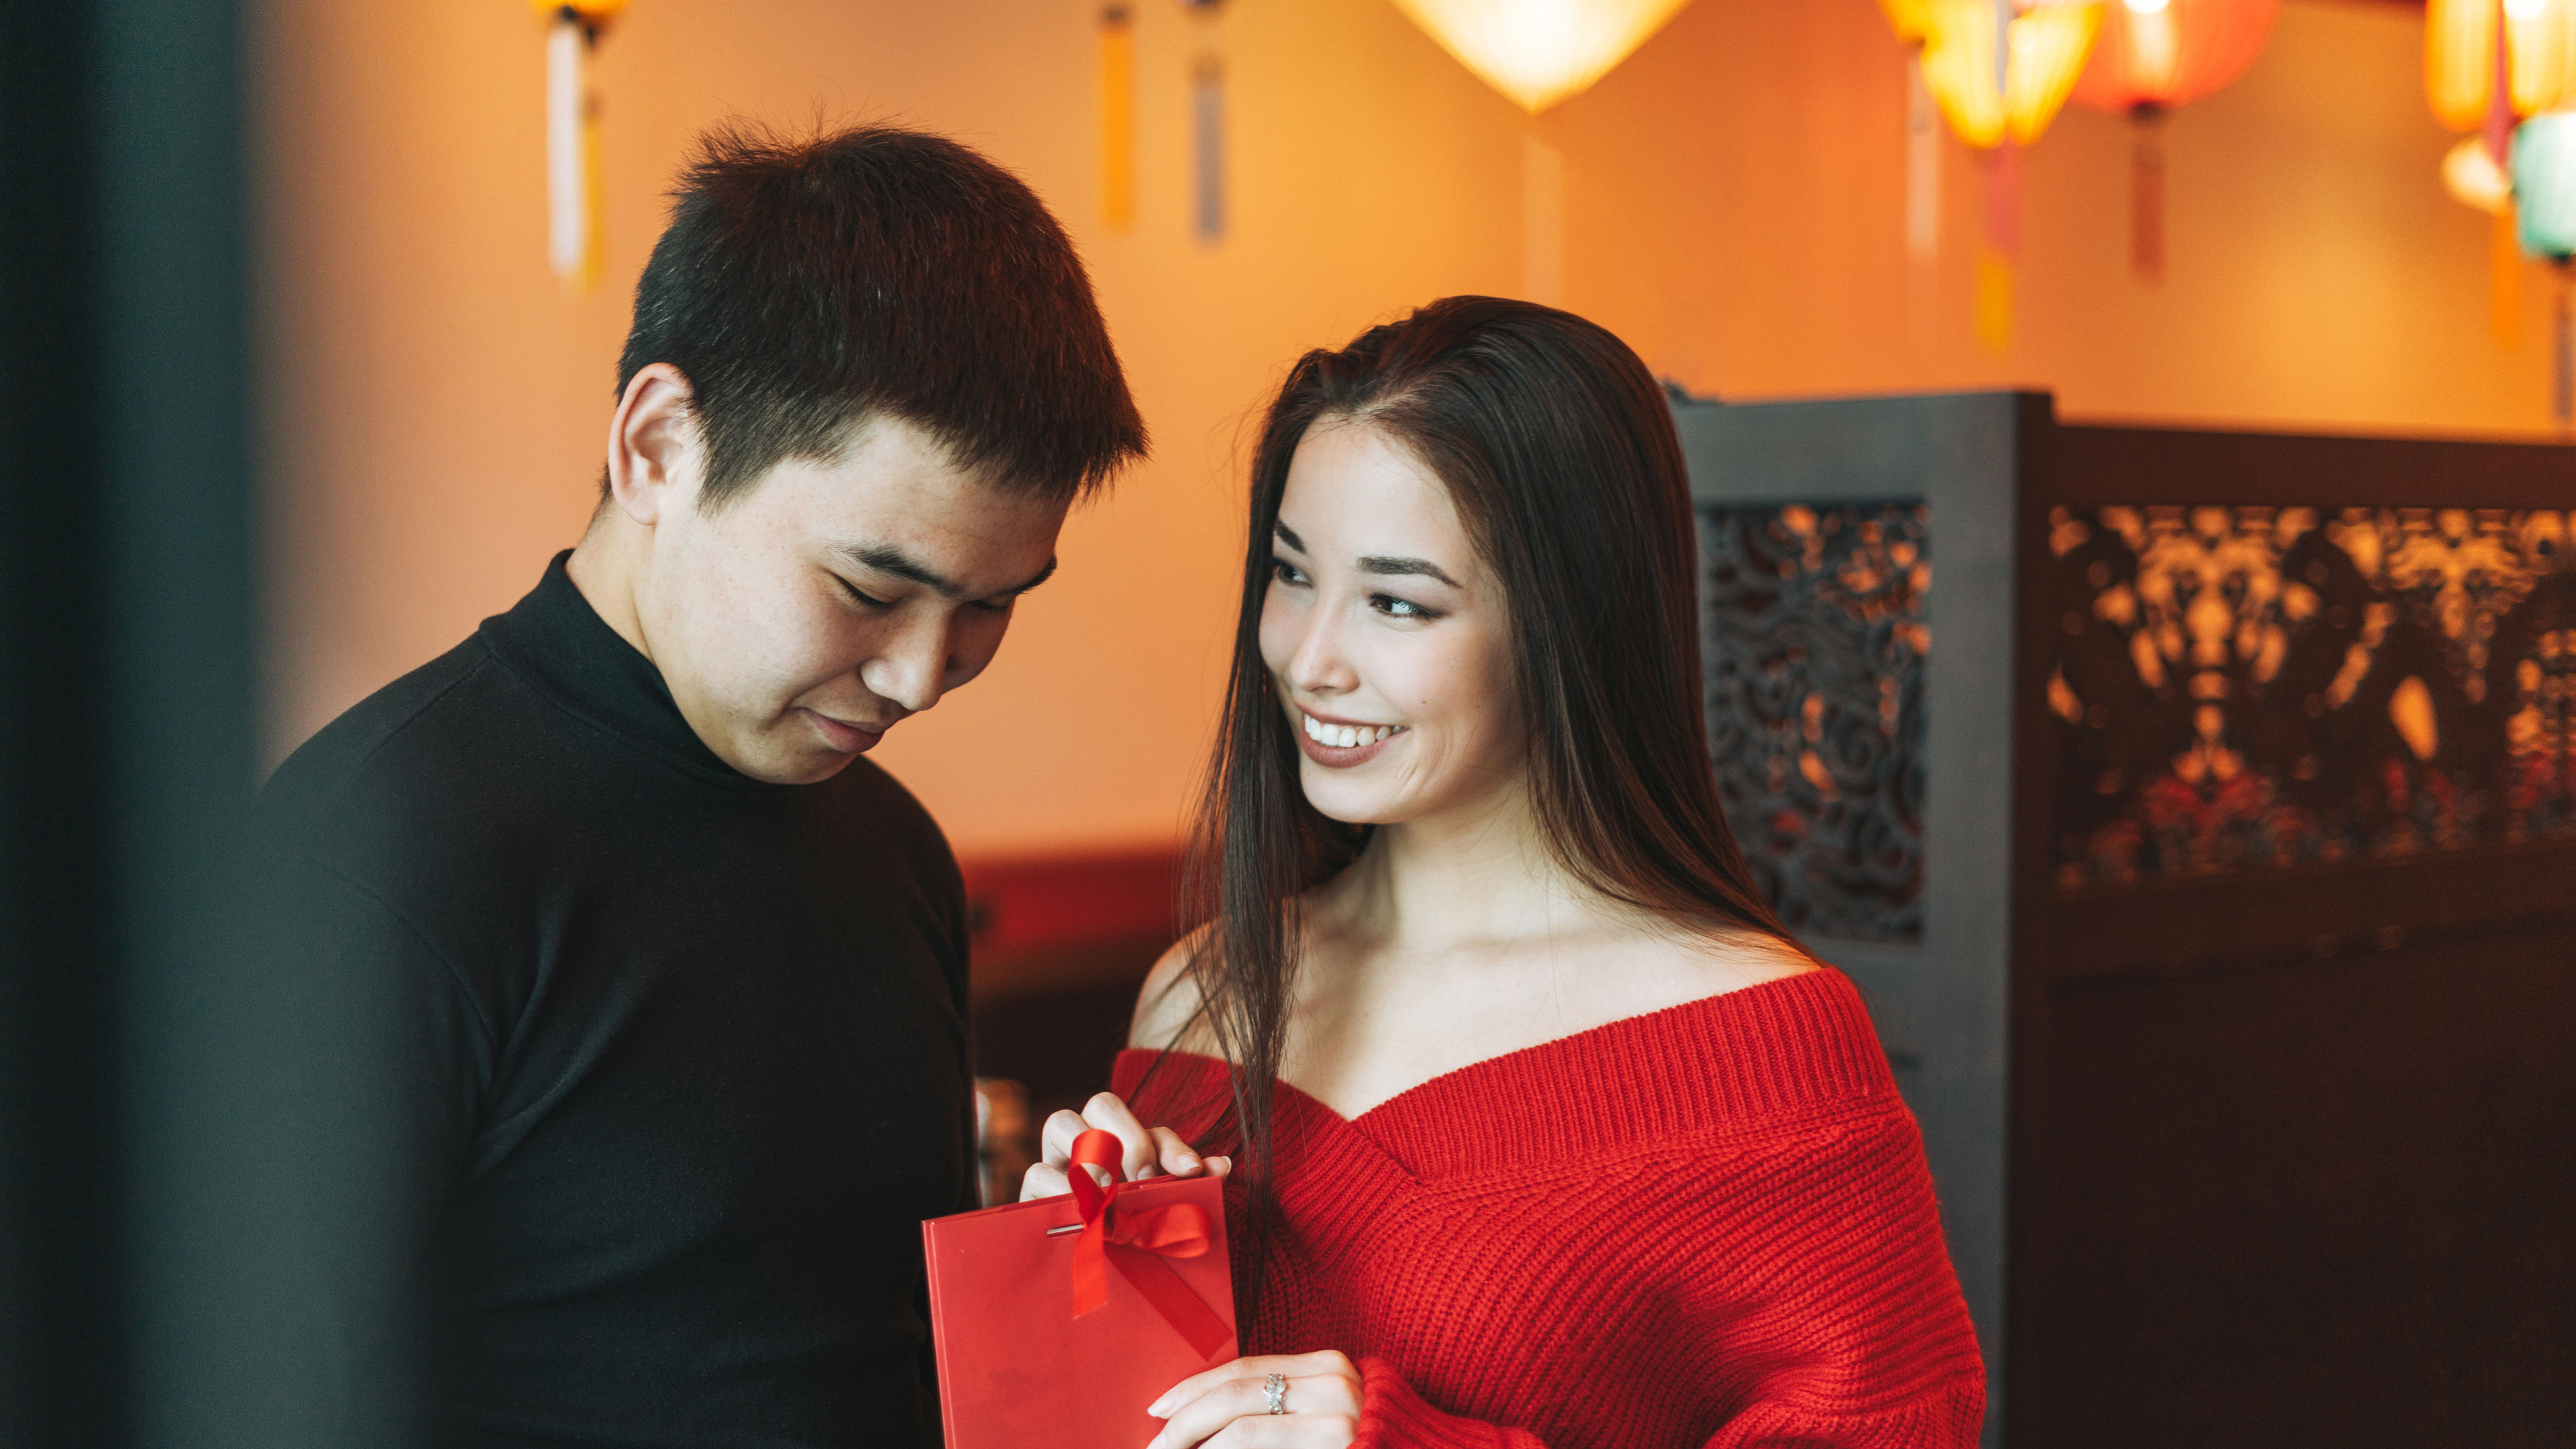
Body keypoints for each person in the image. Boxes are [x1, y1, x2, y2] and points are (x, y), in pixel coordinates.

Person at [254, 122, 1145, 1447]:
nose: (919, 677)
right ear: (662, 444)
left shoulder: (896, 852)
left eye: (988, 609)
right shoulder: (376, 852)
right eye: (871, 588)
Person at [1022, 298, 1984, 1448]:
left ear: (1567, 625)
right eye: (1290, 575)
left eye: (1395, 602)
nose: (1310, 658)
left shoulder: (1765, 1050)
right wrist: (1093, 1281)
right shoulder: (1204, 985)